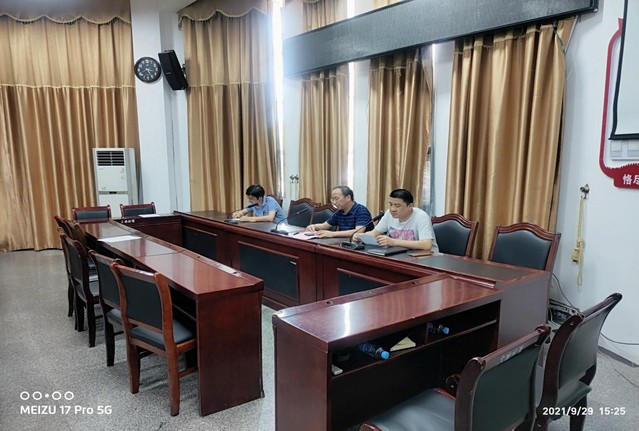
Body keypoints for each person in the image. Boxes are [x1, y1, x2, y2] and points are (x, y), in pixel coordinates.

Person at [357, 188, 438, 251]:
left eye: (397, 206)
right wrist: (361, 237)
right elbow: (374, 233)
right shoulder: (389, 214)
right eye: (391, 204)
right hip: (401, 255)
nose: (392, 209)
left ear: (410, 206)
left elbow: (426, 245)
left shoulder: (421, 217)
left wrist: (393, 242)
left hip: (425, 258)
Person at [305, 185, 372, 238]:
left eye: (336, 199)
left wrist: (332, 234)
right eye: (332, 199)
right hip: (345, 243)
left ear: (348, 198)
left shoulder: (361, 211)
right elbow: (324, 226)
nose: (334, 203)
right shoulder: (339, 212)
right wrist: (313, 226)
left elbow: (358, 232)